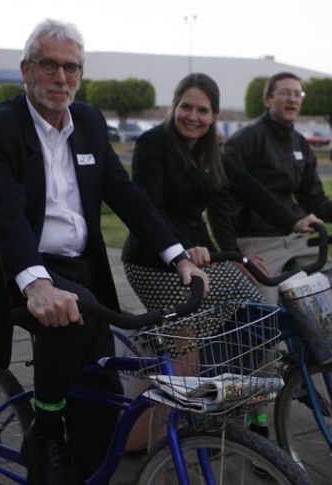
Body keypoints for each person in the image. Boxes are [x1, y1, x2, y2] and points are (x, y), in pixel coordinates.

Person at [0, 19, 209, 485]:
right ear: (26, 69)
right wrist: (37, 285)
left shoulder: (89, 122)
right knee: (67, 322)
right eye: (49, 64)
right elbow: (1, 213)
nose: (61, 77)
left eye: (71, 68)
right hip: (20, 269)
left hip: (81, 271)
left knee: (100, 395)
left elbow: (127, 195)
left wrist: (179, 257)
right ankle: (46, 431)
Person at [121, 72, 309, 446]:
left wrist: (295, 220)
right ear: (174, 107)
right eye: (186, 107)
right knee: (186, 338)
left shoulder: (209, 153)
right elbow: (150, 210)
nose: (193, 116)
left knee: (257, 310)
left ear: (213, 115)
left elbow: (251, 191)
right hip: (153, 260)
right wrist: (180, 249)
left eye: (202, 110)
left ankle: (206, 389)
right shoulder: (153, 145)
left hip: (197, 255)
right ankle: (182, 422)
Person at [209, 71, 332, 304]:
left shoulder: (300, 144)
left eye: (298, 94)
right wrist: (233, 253)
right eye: (285, 93)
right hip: (257, 241)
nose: (293, 99)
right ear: (267, 100)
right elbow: (220, 201)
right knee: (266, 317)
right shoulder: (246, 140)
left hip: (296, 239)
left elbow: (316, 201)